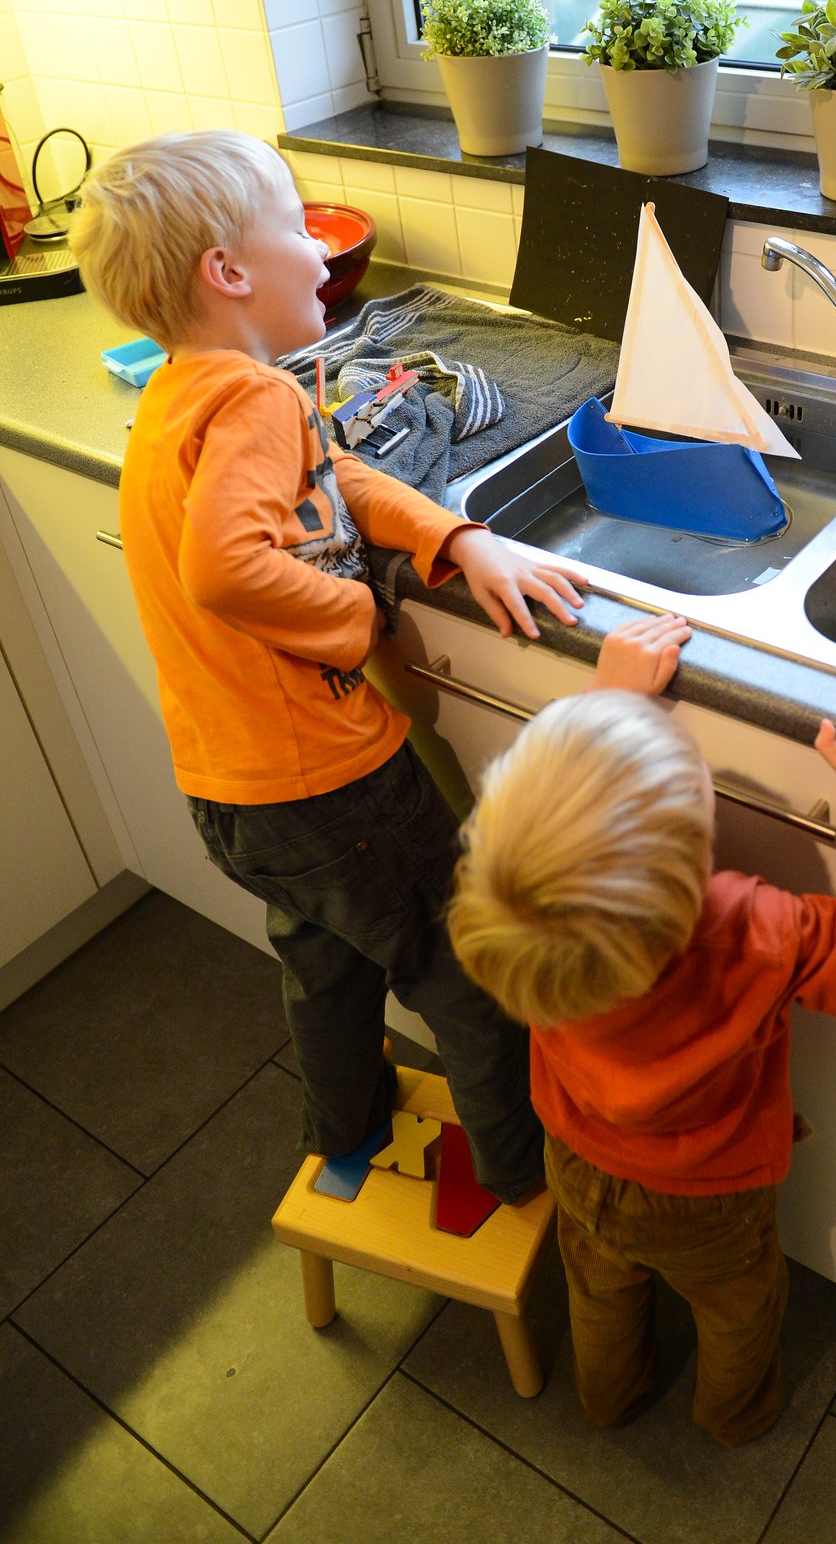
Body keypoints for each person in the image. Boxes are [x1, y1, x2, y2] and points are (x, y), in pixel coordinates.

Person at [71, 128, 586, 1201]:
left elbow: (336, 470)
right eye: (298, 227)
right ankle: (518, 1178)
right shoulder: (253, 398)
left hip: (236, 797)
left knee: (325, 966)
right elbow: (224, 570)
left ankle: (344, 1134)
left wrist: (450, 534)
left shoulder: (189, 390)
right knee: (465, 976)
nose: (319, 250)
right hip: (331, 779)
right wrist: (351, 618)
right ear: (229, 271)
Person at [447, 612, 836, 1443]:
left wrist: (607, 704)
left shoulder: (527, 919)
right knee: (739, 1309)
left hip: (577, 1158)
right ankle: (736, 1416)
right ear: (694, 860)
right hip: (709, 1198)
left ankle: (608, 1398)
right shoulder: (750, 926)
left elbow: (554, 837)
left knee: (600, 1288)